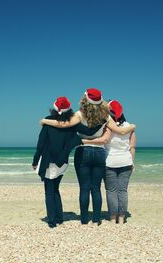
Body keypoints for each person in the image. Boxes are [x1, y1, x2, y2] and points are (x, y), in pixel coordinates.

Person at [41, 89, 136, 225]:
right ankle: (96, 219)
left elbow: (64, 124)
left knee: (84, 188)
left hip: (83, 151)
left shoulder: (79, 114)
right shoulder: (105, 116)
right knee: (96, 188)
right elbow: (121, 130)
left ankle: (84, 219)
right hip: (99, 152)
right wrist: (133, 125)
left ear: (85, 100)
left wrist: (45, 120)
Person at [32, 96, 102, 228]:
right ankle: (59, 217)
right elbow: (90, 131)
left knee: (49, 191)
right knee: (55, 189)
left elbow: (40, 144)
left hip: (49, 161)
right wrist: (103, 120)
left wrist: (35, 161)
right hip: (62, 162)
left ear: (54, 108)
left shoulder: (48, 121)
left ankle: (52, 220)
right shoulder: (72, 122)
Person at [103, 100, 136, 224]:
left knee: (111, 190)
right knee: (123, 190)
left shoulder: (107, 125)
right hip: (126, 161)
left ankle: (112, 218)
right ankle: (121, 218)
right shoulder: (130, 127)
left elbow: (104, 141)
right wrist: (132, 162)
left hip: (109, 161)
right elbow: (132, 147)